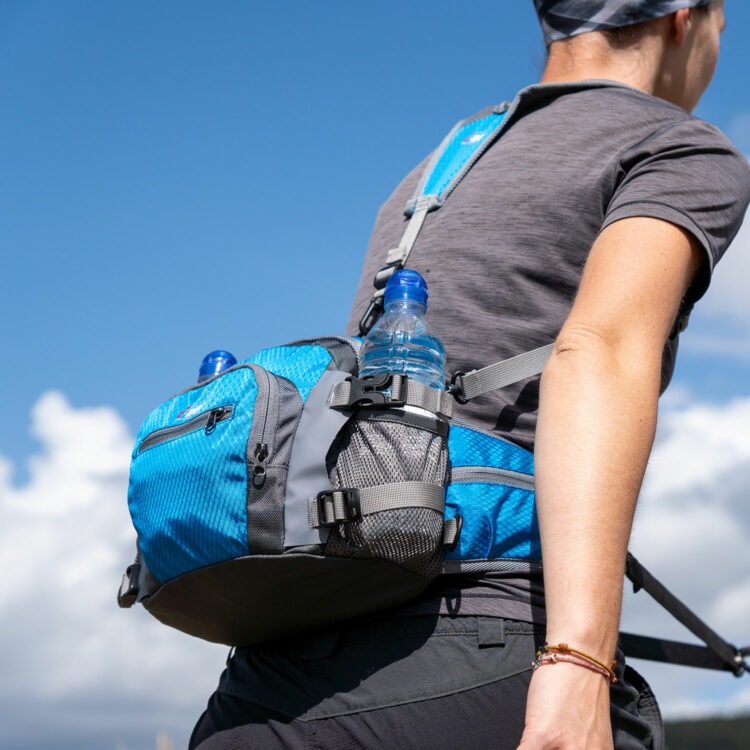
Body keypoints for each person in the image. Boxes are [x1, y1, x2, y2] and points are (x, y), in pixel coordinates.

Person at [189, 2, 750, 748]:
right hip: (476, 642)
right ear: (685, 16)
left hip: (280, 669)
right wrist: (580, 660)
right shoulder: (678, 148)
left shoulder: (440, 164)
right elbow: (602, 349)